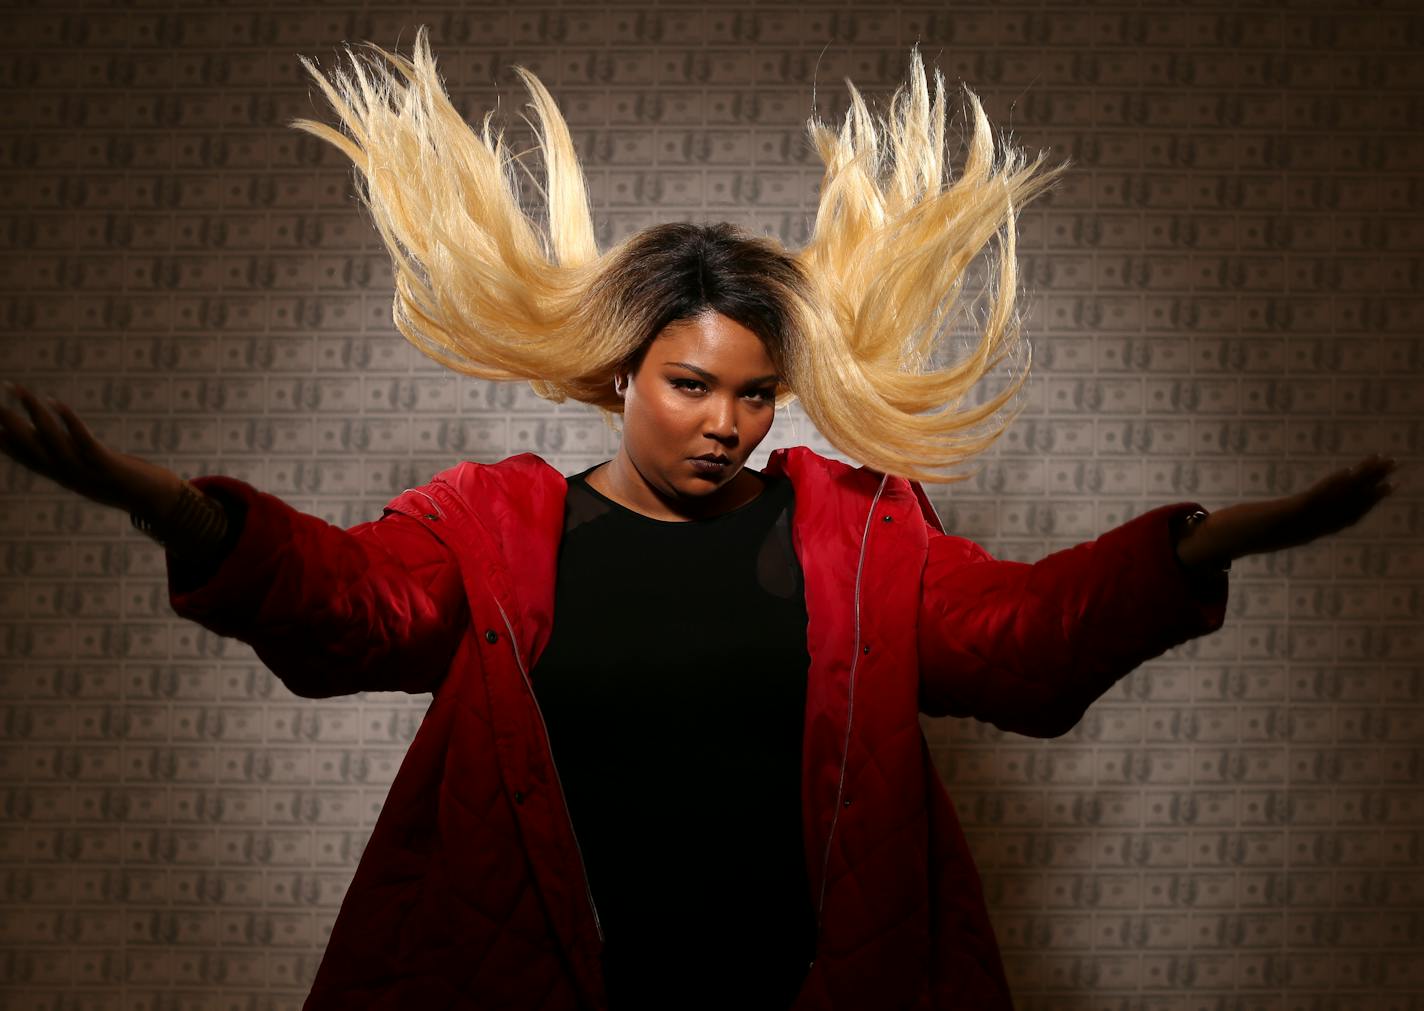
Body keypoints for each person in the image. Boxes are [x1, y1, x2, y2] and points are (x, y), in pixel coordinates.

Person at [0, 30, 1399, 1011]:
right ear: (621, 371)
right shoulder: (490, 528)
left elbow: (1022, 646)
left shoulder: (862, 532)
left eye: (756, 395)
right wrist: (175, 513)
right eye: (689, 386)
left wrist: (1198, 548)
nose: (727, 424)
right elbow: (343, 605)